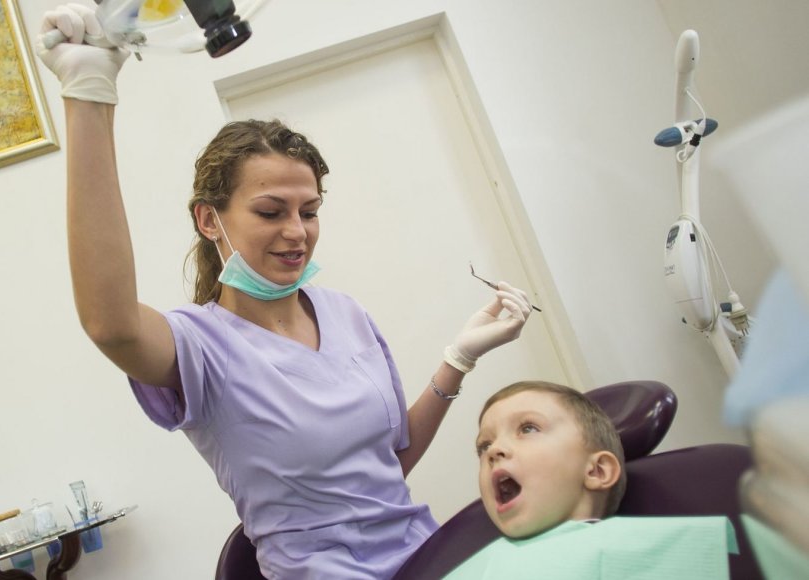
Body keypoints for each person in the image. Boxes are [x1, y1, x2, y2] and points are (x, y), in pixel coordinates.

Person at [36, 3, 534, 578]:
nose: (297, 232)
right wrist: (88, 92)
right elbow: (110, 322)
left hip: (427, 557)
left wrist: (457, 359)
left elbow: (387, 469)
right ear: (208, 220)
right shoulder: (199, 349)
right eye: (271, 211)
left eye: (310, 210)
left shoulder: (344, 313)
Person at [445, 381, 738, 579]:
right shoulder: (473, 560)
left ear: (597, 471)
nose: (494, 451)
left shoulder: (630, 550)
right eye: (484, 446)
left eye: (528, 428)